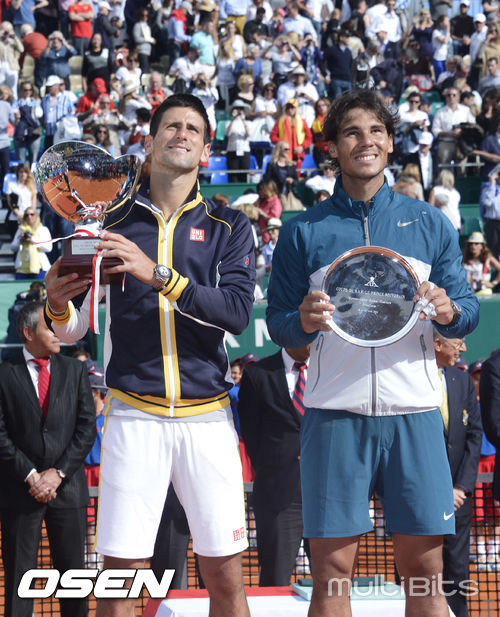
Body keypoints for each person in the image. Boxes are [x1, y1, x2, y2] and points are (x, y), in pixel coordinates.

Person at [266, 89, 480, 617]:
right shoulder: (303, 230)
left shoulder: (430, 222)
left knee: (426, 577)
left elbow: (468, 309)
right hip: (334, 414)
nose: (366, 141)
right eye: (352, 132)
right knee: (331, 580)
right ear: (333, 147)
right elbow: (278, 326)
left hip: (415, 412)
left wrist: (449, 310)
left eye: (376, 130)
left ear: (389, 141)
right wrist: (302, 321)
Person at [44, 93, 255, 617]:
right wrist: (56, 304)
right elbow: (73, 330)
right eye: (171, 126)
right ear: (150, 140)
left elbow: (235, 312)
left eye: (193, 129)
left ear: (206, 151)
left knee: (226, 577)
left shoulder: (230, 225)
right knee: (119, 579)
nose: (181, 134)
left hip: (208, 418)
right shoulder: (106, 221)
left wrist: (158, 274)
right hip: (133, 415)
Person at [0, 301, 95, 617]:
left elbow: (86, 429)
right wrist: (31, 475)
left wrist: (58, 473)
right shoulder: (4, 373)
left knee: (73, 580)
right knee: (19, 580)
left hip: (68, 490)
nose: (58, 332)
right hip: (19, 491)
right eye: (49, 326)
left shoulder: (76, 370)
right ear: (28, 333)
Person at [238, 344, 311, 586]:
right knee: (275, 579)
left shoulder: (331, 368)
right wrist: (275, 468)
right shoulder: (258, 374)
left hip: (326, 493)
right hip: (278, 492)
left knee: (333, 580)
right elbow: (251, 432)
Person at [433, 330, 482, 617]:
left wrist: (461, 487)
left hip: (458, 500)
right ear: (437, 343)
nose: (463, 348)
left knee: (457, 571)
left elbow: (474, 435)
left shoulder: (462, 380)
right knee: (418, 575)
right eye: (457, 342)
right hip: (420, 500)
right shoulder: (409, 381)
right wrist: (440, 492)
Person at [270, 98, 312, 170]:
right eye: (288, 107)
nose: (290, 109)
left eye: (292, 107)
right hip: (283, 154)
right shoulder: (280, 121)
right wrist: (281, 143)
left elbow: (309, 137)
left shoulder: (302, 121)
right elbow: (272, 136)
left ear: (296, 109)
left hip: (297, 155)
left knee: (296, 175)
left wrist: (302, 147)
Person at [10, 208, 52, 280]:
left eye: (32, 214)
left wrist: (32, 239)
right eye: (27, 215)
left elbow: (48, 248)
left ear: (37, 216)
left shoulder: (43, 229)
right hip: (22, 268)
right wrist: (20, 240)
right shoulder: (21, 229)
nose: (29, 217)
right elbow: (13, 247)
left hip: (39, 268)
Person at [5, 163, 38, 239]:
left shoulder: (32, 185)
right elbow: (11, 203)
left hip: (29, 218)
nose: (23, 174)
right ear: (17, 173)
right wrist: (20, 215)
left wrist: (30, 216)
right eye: (21, 172)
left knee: (29, 240)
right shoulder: (11, 185)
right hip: (15, 218)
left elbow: (34, 203)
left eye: (25, 172)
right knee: (16, 241)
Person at [479, 167, 500, 259]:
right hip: (493, 223)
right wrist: (492, 186)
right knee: (493, 250)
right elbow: (487, 202)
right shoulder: (488, 188)